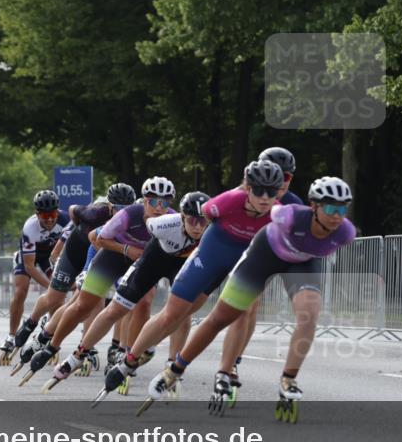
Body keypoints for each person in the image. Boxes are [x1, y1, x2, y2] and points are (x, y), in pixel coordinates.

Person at [143, 177, 355, 422]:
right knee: (221, 318)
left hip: (303, 262)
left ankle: (288, 379)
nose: (337, 216)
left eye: (342, 209)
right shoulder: (288, 216)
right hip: (265, 255)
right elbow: (261, 213)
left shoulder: (346, 232)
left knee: (309, 315)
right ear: (314, 206)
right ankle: (175, 370)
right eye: (330, 208)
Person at [110, 160, 284, 388]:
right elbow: (203, 215)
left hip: (237, 266)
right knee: (172, 314)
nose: (265, 198)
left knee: (241, 311)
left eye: (271, 192)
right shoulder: (229, 200)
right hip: (207, 260)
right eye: (259, 190)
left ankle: (223, 369)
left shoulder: (280, 213)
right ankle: (128, 361)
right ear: (247, 188)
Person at [45, 191, 210, 397]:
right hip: (151, 261)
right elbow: (99, 235)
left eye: (203, 222)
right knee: (116, 309)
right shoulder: (162, 224)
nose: (198, 227)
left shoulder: (210, 232)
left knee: (183, 310)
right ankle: (78, 355)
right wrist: (125, 249)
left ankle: (170, 364)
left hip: (179, 263)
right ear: (183, 217)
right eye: (193, 221)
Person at [17, 177, 176, 385]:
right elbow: (95, 238)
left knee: (142, 303)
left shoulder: (174, 220)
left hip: (141, 261)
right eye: (153, 202)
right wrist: (120, 252)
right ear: (144, 201)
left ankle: (124, 353)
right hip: (108, 252)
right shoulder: (125, 215)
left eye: (165, 203)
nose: (159, 208)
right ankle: (51, 345)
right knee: (83, 304)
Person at [3, 183, 135, 364]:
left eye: (126, 209)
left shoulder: (132, 218)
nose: (122, 213)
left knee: (92, 300)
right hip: (72, 253)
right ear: (109, 206)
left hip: (97, 254)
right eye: (118, 208)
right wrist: (56, 271)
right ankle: (30, 324)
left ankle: (85, 345)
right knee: (54, 297)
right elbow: (73, 213)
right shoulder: (94, 213)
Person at [224, 147, 302, 389]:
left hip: (260, 258)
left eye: (287, 177)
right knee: (239, 308)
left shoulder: (292, 203)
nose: (282, 182)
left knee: (249, 308)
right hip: (234, 250)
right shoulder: (239, 195)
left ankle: (233, 362)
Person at [0, 191, 69, 360]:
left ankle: (49, 333)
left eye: (53, 214)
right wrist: (51, 287)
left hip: (49, 257)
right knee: (20, 291)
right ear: (37, 214)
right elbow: (30, 267)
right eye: (45, 215)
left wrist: (55, 287)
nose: (50, 219)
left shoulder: (66, 220)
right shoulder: (30, 227)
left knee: (57, 297)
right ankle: (11, 335)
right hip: (29, 258)